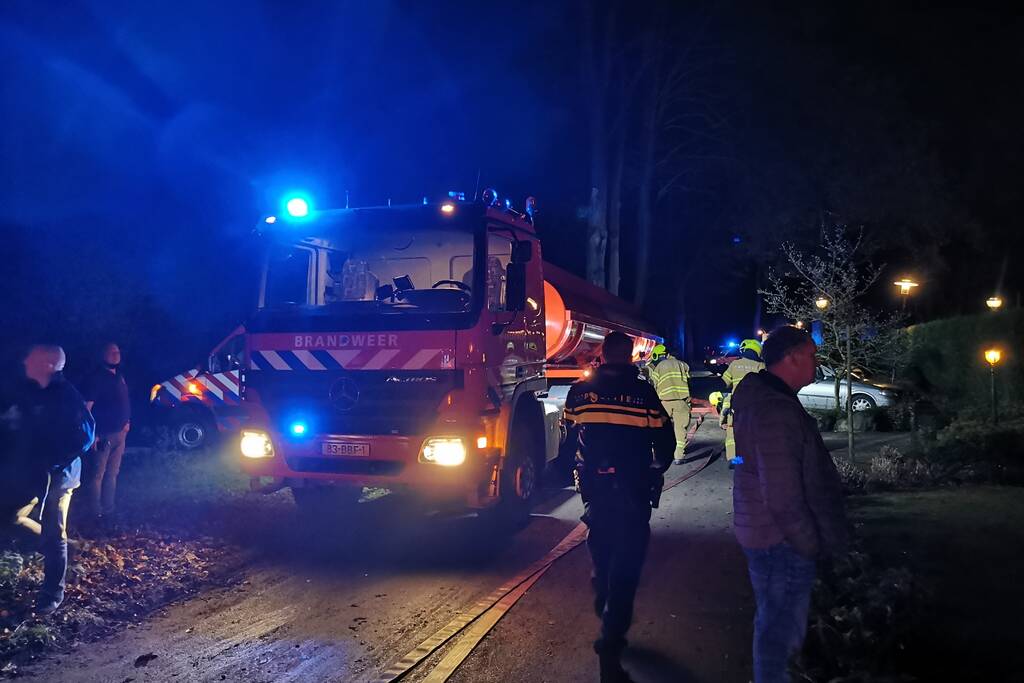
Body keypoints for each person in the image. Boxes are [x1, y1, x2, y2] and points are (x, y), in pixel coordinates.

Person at [731, 326, 849, 683]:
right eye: (811, 355)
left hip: (767, 534)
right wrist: (808, 543)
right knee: (781, 635)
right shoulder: (775, 410)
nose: (816, 362)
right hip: (780, 542)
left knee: (772, 624)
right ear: (793, 357)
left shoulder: (765, 399)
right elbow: (782, 493)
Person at [563, 332, 675, 683]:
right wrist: (659, 466)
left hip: (595, 489)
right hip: (633, 489)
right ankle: (611, 642)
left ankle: (600, 589)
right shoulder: (642, 392)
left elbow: (569, 435)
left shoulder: (580, 391)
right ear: (628, 356)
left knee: (601, 543)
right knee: (628, 562)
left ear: (603, 353)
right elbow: (664, 437)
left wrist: (573, 469)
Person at [2, 345, 95, 615]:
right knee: (10, 518)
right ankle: (66, 548)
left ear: (48, 364)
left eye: (30, 358)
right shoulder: (29, 391)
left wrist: (53, 463)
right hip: (30, 474)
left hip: (59, 479)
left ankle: (52, 594)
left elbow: (85, 437)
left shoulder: (68, 397)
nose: (24, 361)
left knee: (54, 535)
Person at [80, 342, 131, 520]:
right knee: (97, 475)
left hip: (120, 433)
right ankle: (95, 512)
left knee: (112, 473)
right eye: (111, 352)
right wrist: (91, 435)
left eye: (117, 351)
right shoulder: (96, 378)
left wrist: (127, 422)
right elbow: (87, 409)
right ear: (102, 355)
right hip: (103, 435)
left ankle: (109, 509)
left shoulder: (118, 376)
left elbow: (123, 401)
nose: (115, 355)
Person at [720, 338, 766, 467]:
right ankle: (750, 460)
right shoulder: (761, 366)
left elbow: (725, 382)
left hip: (736, 405)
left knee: (732, 433)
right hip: (754, 407)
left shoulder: (735, 364)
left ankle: (735, 461)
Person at [646, 343, 691, 465]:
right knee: (680, 429)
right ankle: (679, 457)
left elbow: (653, 383)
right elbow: (688, 379)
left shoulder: (659, 366)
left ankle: (661, 456)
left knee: (661, 429)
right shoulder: (682, 364)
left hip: (664, 402)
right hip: (681, 402)